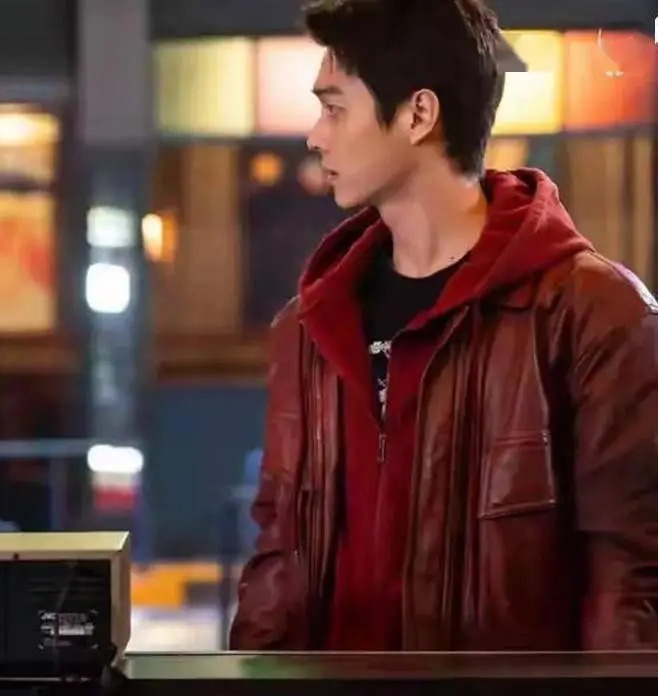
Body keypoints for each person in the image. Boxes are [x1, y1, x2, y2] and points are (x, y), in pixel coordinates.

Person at [231, 0, 658, 651]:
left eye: (335, 108)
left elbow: (631, 584)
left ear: (418, 115)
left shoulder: (591, 313)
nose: (315, 136)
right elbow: (277, 563)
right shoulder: (310, 326)